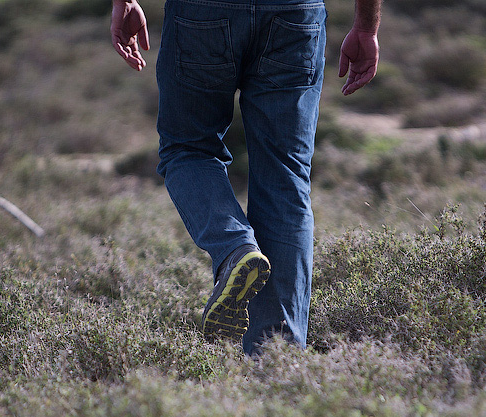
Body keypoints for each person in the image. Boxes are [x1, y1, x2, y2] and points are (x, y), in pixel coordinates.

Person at [111, 0, 380, 355]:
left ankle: (234, 248)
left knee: (189, 149)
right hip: (295, 13)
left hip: (200, 12)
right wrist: (366, 25)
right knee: (286, 177)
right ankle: (276, 362)